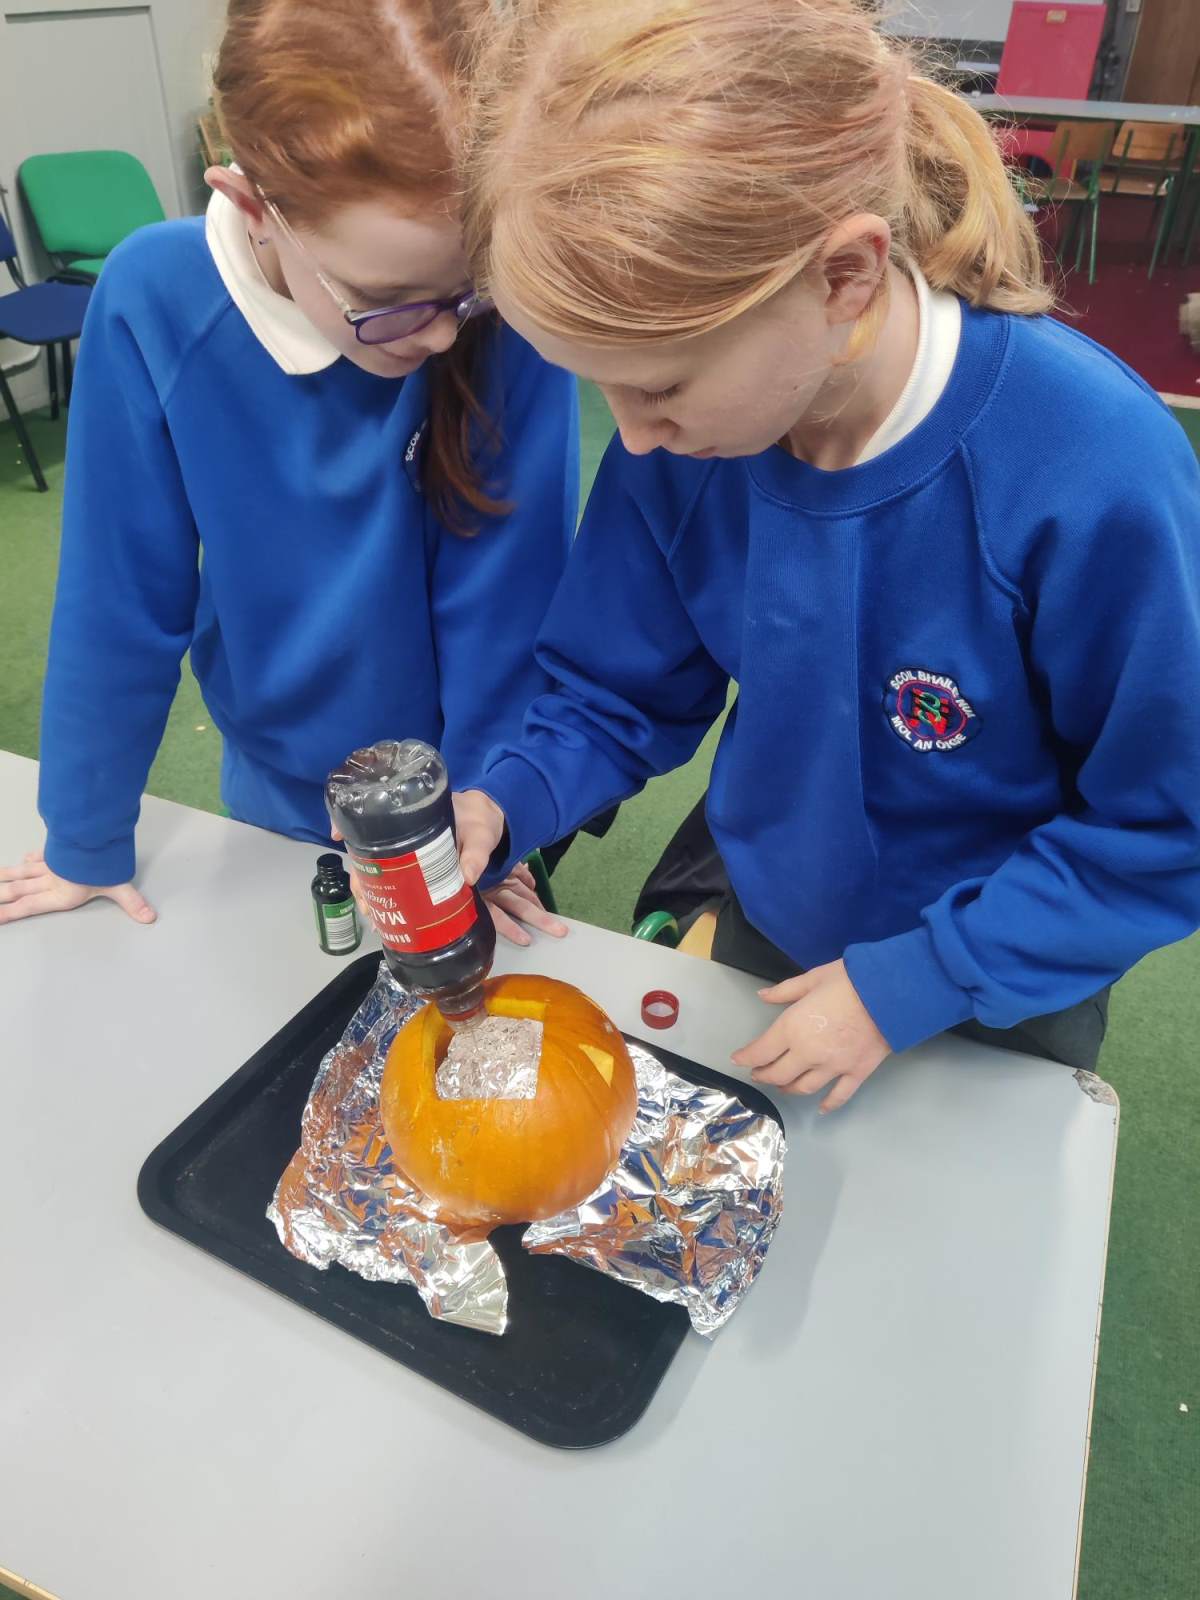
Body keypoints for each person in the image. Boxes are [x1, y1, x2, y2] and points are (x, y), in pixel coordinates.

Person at [452, 0, 1200, 1108]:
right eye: (600, 387)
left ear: (843, 277)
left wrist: (913, 982)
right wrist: (508, 799)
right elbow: (614, 689)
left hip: (1003, 970)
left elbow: (1164, 825)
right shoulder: (691, 438)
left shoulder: (1094, 469)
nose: (633, 437)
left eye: (659, 386)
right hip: (776, 918)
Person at [0, 0, 575, 947]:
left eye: (461, 291)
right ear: (252, 206)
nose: (440, 335)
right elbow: (120, 597)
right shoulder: (153, 298)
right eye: (388, 300)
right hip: (278, 780)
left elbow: (509, 607)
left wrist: (486, 821)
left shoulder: (497, 307)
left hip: (474, 789)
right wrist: (85, 839)